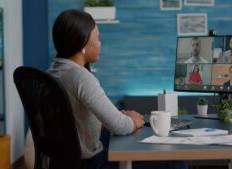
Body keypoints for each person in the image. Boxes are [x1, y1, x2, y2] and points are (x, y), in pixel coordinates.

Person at [48, 9, 187, 169]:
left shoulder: (53, 72)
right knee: (177, 164)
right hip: (90, 164)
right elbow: (120, 127)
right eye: (98, 38)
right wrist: (133, 121)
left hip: (62, 163)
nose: (100, 44)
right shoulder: (79, 76)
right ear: (84, 42)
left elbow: (76, 121)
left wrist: (115, 118)